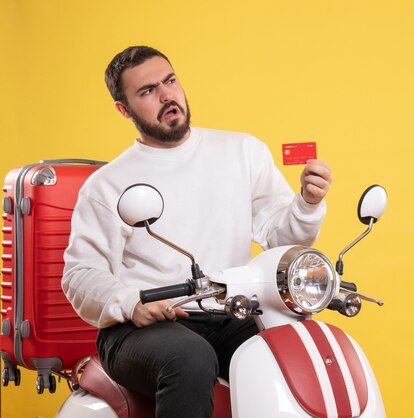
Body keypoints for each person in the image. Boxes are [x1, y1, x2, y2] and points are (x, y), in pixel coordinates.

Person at [62, 45, 332, 417]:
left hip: (231, 314)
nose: (166, 95)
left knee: (295, 349)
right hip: (139, 330)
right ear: (123, 110)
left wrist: (307, 202)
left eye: (170, 81)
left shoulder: (242, 151)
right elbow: (79, 275)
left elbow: (280, 238)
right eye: (147, 91)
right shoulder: (107, 185)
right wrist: (131, 303)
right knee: (189, 357)